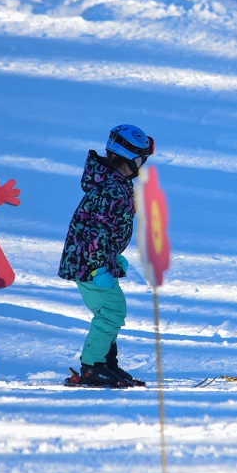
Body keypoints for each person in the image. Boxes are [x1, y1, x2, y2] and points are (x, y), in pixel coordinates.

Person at [59, 124, 155, 388]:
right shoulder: (113, 189)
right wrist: (99, 266)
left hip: (93, 260)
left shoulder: (113, 184)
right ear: (127, 159)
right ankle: (92, 367)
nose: (141, 166)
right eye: (140, 160)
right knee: (112, 312)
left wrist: (112, 257)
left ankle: (105, 363)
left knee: (108, 311)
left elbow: (103, 228)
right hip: (91, 264)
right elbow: (95, 232)